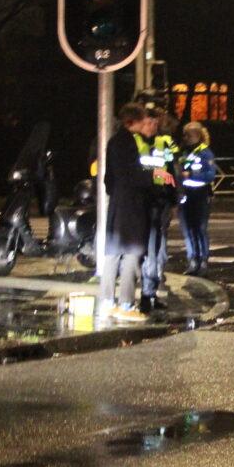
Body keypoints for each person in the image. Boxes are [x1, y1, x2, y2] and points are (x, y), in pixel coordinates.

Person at [98, 103, 170, 321]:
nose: (144, 123)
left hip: (117, 205)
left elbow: (109, 178)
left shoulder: (113, 141)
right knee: (132, 253)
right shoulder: (128, 142)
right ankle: (126, 304)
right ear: (132, 121)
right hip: (133, 206)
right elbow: (135, 175)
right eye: (141, 120)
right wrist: (154, 179)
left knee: (112, 254)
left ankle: (107, 302)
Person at [140, 109, 180, 312]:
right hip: (142, 202)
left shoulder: (162, 143)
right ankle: (144, 294)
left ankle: (150, 293)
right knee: (146, 251)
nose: (153, 127)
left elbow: (171, 170)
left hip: (160, 200)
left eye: (155, 123)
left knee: (155, 250)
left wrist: (174, 199)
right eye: (149, 123)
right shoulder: (135, 143)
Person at [177, 122, 217, 275]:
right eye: (185, 134)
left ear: (197, 135)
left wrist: (192, 175)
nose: (186, 138)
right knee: (188, 229)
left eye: (189, 135)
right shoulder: (182, 152)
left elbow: (210, 175)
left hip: (200, 194)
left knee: (200, 228)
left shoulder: (205, 153)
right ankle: (193, 259)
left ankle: (203, 259)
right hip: (185, 193)